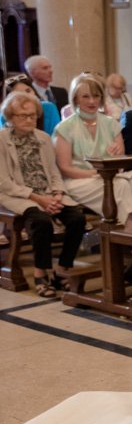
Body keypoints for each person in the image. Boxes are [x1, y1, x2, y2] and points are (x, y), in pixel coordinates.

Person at [0, 91, 86, 296]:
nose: (29, 120)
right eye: (23, 116)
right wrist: (39, 198)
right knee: (41, 222)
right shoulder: (1, 139)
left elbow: (54, 172)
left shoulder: (44, 138)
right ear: (10, 117)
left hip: (48, 193)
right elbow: (3, 182)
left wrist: (57, 194)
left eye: (32, 115)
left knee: (77, 219)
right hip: (18, 195)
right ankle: (40, 273)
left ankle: (62, 270)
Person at [53, 73, 132, 228]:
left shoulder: (111, 124)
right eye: (86, 96)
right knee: (121, 186)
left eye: (96, 96)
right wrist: (97, 174)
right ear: (76, 99)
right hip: (79, 180)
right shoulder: (65, 128)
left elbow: (120, 161)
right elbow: (65, 168)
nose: (92, 101)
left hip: (111, 176)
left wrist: (118, 153)